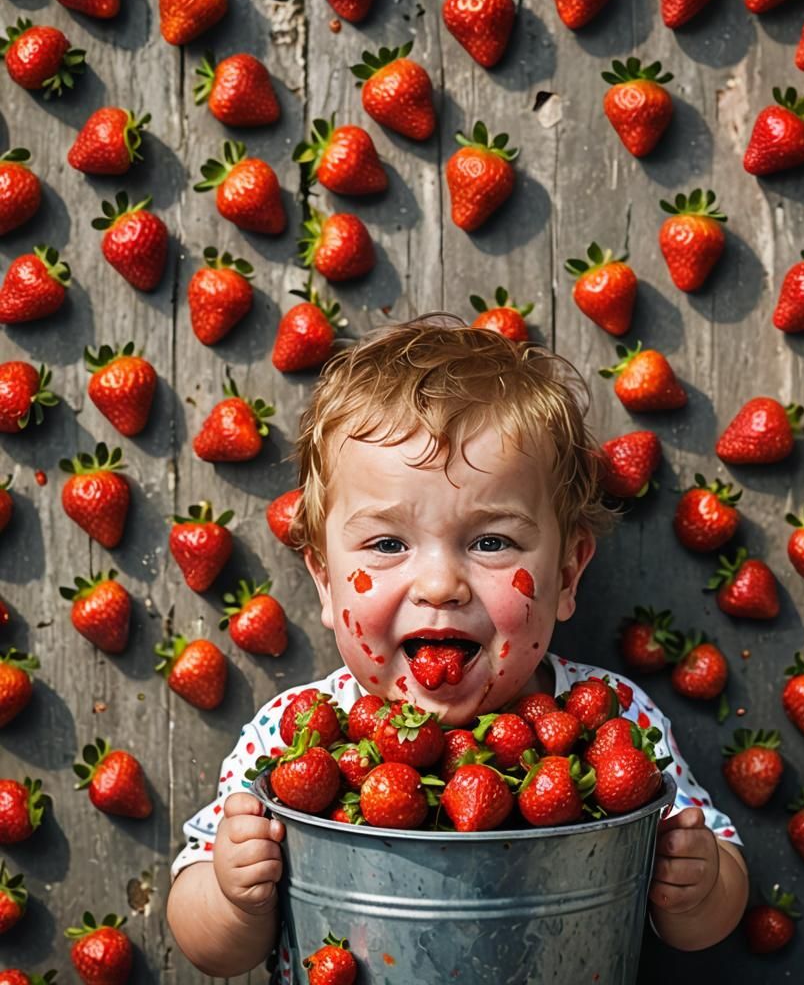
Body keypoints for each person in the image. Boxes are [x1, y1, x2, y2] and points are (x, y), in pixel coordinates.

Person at [166, 313, 749, 981]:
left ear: (565, 575)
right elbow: (208, 947)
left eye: (491, 542)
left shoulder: (614, 720)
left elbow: (712, 910)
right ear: (325, 582)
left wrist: (697, 884)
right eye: (388, 545)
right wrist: (232, 894)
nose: (441, 585)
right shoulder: (292, 734)